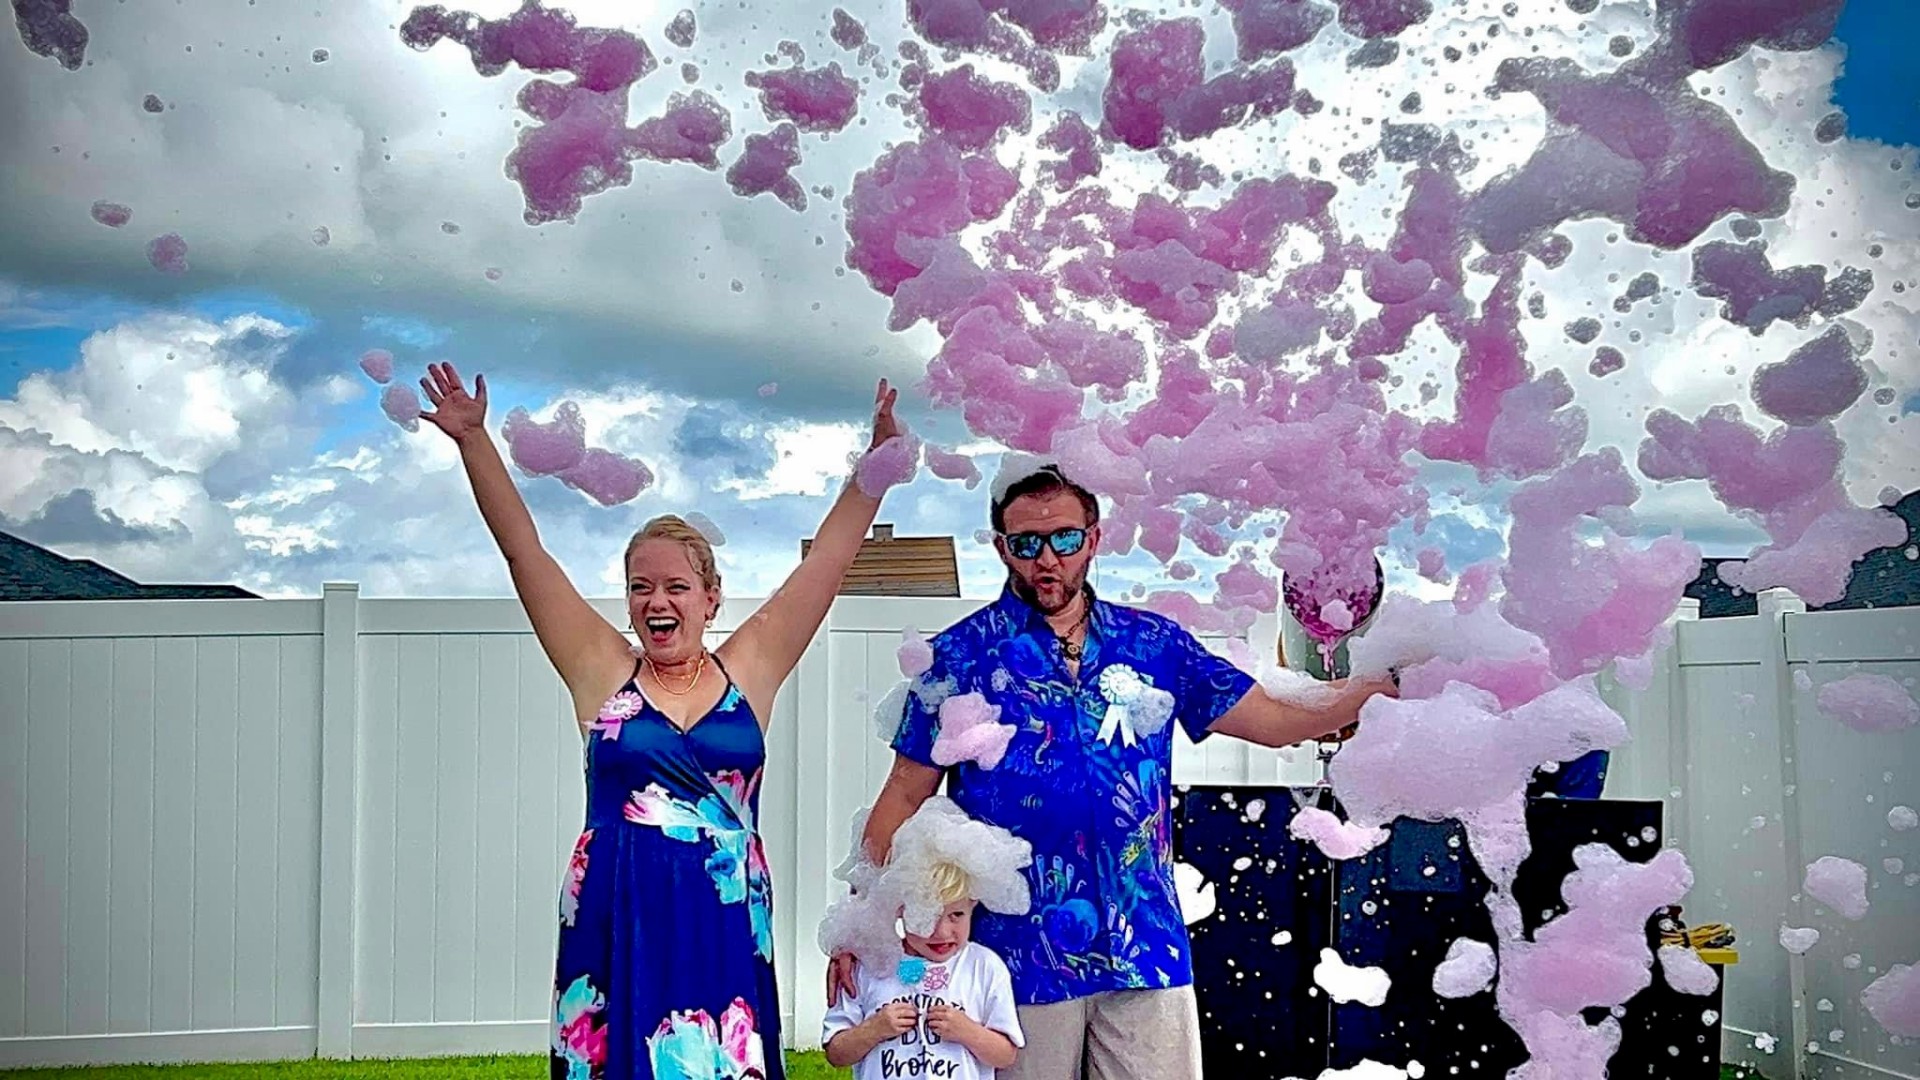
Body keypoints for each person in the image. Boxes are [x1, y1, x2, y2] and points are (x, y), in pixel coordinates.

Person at [829, 459, 1397, 1080]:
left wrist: (1382, 688)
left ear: (1093, 539)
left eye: (1065, 539)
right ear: (1001, 548)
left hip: (1144, 944)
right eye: (1026, 543)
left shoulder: (1153, 644)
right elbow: (904, 795)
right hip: (1018, 951)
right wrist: (860, 925)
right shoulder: (959, 656)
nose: (1048, 559)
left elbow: (1272, 717)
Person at [419, 361, 904, 1080]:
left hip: (724, 911)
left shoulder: (749, 671)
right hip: (620, 906)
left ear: (711, 598)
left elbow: (825, 568)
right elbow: (526, 553)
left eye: (677, 586)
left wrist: (874, 469)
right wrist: (474, 443)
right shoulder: (601, 673)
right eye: (640, 587)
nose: (657, 602)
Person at [822, 860, 1025, 1080]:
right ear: (900, 909)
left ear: (972, 906)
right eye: (926, 916)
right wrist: (873, 1029)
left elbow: (1005, 1055)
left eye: (956, 915)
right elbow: (836, 1053)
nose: (941, 931)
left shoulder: (984, 967)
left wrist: (968, 1032)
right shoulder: (869, 963)